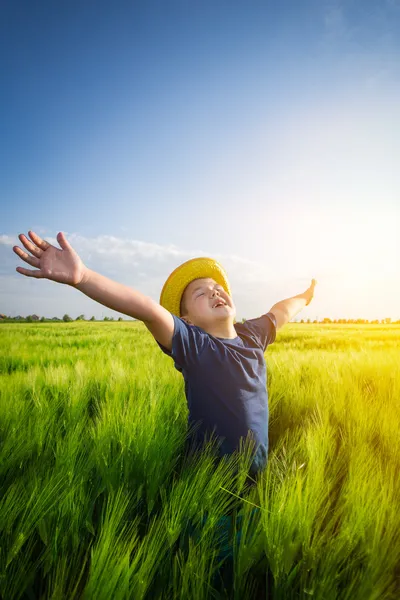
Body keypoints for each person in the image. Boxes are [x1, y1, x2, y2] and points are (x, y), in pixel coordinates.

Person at [12, 230, 317, 569]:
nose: (215, 291)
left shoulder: (252, 337)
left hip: (255, 490)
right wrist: (83, 277)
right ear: (186, 319)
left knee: (253, 569)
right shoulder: (196, 346)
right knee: (214, 570)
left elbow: (280, 312)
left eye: (218, 288)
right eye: (201, 293)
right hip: (208, 496)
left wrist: (305, 296)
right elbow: (146, 309)